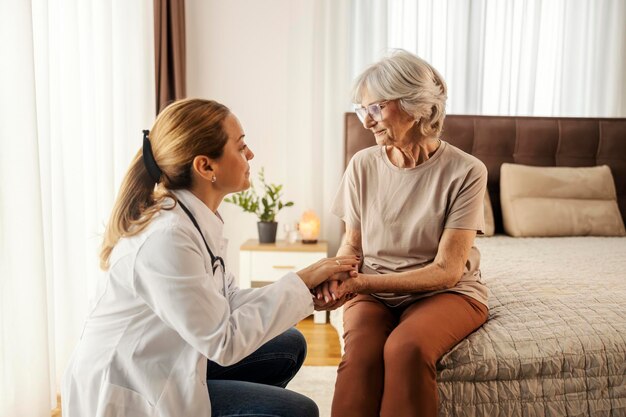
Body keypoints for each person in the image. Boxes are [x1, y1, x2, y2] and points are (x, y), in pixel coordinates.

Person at [61, 98, 358, 417]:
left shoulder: (192, 217)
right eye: (241, 146)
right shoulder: (167, 238)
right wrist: (300, 283)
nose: (251, 155)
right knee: (298, 411)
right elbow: (224, 342)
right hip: (133, 387)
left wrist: (306, 290)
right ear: (206, 166)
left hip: (167, 359)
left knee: (288, 344)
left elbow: (225, 298)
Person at [317, 50, 490, 417]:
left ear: (414, 105)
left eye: (376, 108)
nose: (366, 121)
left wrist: (360, 285)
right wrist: (338, 275)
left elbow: (447, 270)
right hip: (375, 289)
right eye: (362, 109)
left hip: (446, 292)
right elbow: (353, 242)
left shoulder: (467, 172)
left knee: (405, 348)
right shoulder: (362, 164)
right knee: (362, 354)